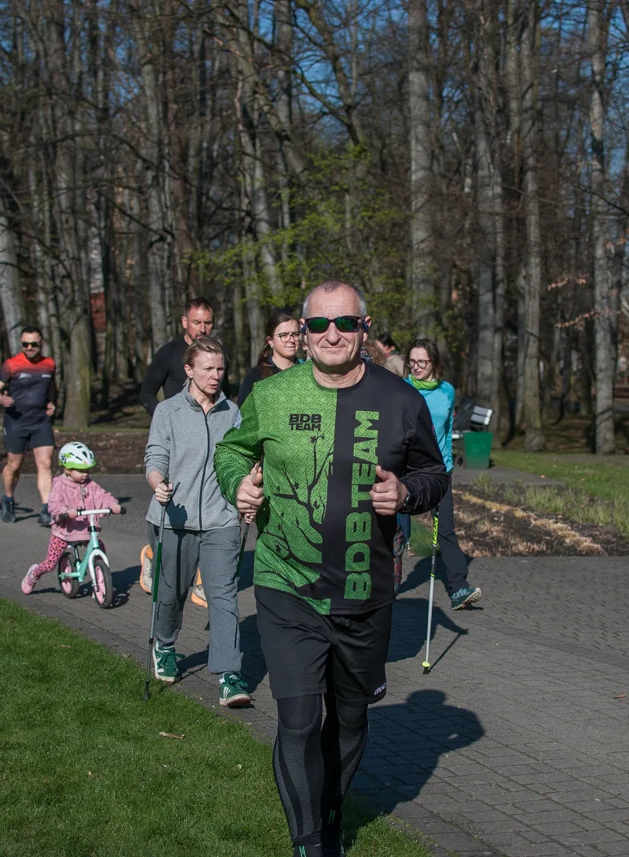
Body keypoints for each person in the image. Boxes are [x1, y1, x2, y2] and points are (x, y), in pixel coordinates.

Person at [214, 280, 449, 857]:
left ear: (364, 328)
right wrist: (237, 483)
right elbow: (234, 449)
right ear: (304, 330)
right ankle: (309, 844)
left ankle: (332, 817)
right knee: (296, 719)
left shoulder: (401, 399)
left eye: (344, 323)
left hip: (365, 591)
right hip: (284, 584)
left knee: (348, 718)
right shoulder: (272, 395)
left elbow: (434, 475)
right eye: (318, 325)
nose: (331, 335)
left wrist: (408, 493)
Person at [145, 336, 251, 707]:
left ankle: (229, 675)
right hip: (174, 517)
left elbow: (240, 458)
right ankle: (166, 645)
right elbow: (155, 457)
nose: (216, 375)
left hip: (221, 520)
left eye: (220, 368)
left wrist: (247, 490)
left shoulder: (232, 412)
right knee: (171, 592)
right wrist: (158, 485)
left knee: (223, 596)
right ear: (189, 370)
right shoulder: (168, 412)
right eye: (208, 368)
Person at [404, 338, 481, 609]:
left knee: (445, 529)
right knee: (396, 531)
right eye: (412, 362)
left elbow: (446, 432)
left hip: (439, 471)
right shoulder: (403, 390)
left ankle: (459, 587)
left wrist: (446, 466)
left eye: (422, 362)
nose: (416, 367)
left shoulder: (447, 391)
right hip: (407, 470)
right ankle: (384, 586)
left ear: (434, 363)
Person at [21, 441, 122, 594]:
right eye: (81, 470)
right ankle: (33, 574)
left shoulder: (90, 485)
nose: (85, 473)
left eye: (87, 469)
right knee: (50, 563)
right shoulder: (60, 485)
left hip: (86, 529)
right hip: (64, 531)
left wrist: (113, 505)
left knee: (100, 549)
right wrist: (66, 511)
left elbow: (102, 496)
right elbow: (54, 503)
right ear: (67, 469)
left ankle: (99, 575)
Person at [0, 326, 57, 526]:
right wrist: (2, 399)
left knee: (45, 464)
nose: (29, 348)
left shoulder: (49, 364)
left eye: (33, 344)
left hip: (40, 421)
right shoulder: (11, 365)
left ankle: (46, 509)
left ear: (41, 344)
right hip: (16, 421)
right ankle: (8, 499)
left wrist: (51, 403)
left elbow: (51, 386)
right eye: (25, 344)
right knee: (14, 465)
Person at [140, 297, 215, 417]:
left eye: (207, 323)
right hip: (179, 428)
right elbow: (147, 394)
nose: (202, 329)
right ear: (185, 322)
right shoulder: (168, 353)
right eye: (196, 322)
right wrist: (165, 420)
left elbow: (225, 393)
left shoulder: (219, 355)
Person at [238, 309, 300, 404]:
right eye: (284, 335)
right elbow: (243, 414)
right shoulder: (256, 376)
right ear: (270, 340)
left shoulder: (309, 373)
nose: (291, 340)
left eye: (295, 334)